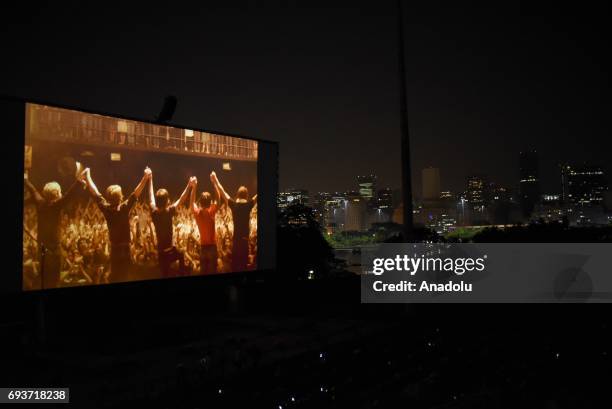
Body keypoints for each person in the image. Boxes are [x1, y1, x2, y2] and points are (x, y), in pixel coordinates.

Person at [83, 167, 149, 283]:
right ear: (121, 197)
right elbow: (136, 193)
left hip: (114, 249)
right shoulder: (124, 208)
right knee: (125, 276)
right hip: (125, 249)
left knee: (115, 277)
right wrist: (145, 177)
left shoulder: (107, 209)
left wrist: (88, 176)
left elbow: (95, 192)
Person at [24, 169, 86, 288]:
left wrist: (25, 178)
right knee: (54, 281)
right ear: (57, 194)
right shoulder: (56, 206)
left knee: (43, 278)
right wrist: (79, 181)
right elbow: (69, 194)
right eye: (60, 192)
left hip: (41, 249)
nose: (61, 194)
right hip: (53, 251)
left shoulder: (40, 202)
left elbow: (32, 189)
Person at [148, 168, 190, 278]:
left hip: (161, 252)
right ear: (167, 201)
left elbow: (151, 196)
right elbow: (182, 198)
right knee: (181, 255)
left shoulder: (154, 212)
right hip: (170, 250)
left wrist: (150, 179)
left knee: (164, 274)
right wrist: (189, 185)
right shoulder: (169, 211)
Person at [211, 172, 257, 272]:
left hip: (236, 242)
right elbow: (257, 196)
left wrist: (215, 180)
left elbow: (223, 192)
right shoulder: (249, 205)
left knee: (235, 267)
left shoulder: (234, 205)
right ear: (246, 196)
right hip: (245, 242)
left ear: (237, 195)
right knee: (244, 267)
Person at [190, 173, 220, 274]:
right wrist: (214, 182)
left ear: (201, 203)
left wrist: (194, 187)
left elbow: (192, 203)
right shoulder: (211, 212)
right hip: (212, 247)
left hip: (203, 248)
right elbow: (219, 199)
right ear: (210, 202)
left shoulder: (198, 213)